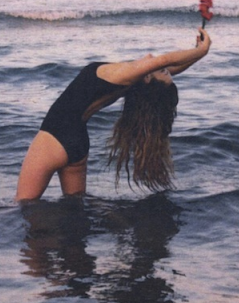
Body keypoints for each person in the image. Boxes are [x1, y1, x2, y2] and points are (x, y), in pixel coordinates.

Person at [16, 28, 211, 201]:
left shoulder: (125, 75)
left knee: (22, 208)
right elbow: (171, 67)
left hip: (53, 139)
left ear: (147, 77)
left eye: (159, 70)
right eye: (163, 71)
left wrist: (201, 51)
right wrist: (197, 53)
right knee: (75, 209)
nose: (153, 59)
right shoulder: (133, 81)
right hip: (78, 143)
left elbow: (165, 61)